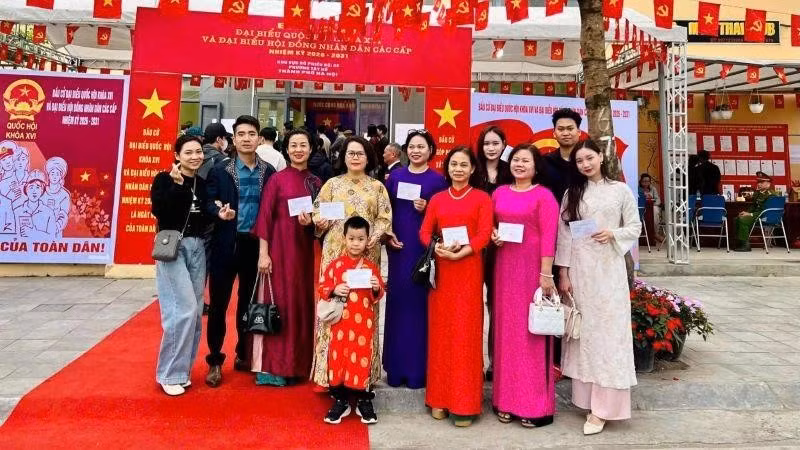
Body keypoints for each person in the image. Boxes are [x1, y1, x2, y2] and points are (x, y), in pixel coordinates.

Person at [555, 139, 641, 435]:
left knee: (609, 336)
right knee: (584, 335)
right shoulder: (572, 193)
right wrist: (563, 273)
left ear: (601, 157)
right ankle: (587, 401)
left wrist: (613, 233)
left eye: (589, 158)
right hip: (580, 273)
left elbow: (635, 226)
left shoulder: (620, 190)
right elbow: (564, 235)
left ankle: (604, 408)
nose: (585, 164)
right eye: (579, 161)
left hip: (609, 273)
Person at [419, 146, 493, 427]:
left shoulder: (482, 198)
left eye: (464, 165)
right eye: (453, 164)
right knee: (441, 335)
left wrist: (465, 251)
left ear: (473, 169)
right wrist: (436, 247)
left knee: (465, 335)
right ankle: (438, 398)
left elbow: (485, 233)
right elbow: (424, 231)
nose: (458, 169)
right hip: (442, 273)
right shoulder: (437, 199)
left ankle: (464, 403)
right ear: (447, 168)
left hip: (468, 271)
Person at [311, 136, 392, 390]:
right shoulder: (332, 185)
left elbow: (384, 219)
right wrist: (319, 222)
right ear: (343, 157)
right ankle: (329, 374)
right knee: (335, 307)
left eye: (360, 153)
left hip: (366, 255)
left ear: (369, 157)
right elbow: (317, 211)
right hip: (335, 253)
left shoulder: (377, 187)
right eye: (350, 153)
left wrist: (374, 239)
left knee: (362, 310)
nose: (355, 157)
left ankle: (363, 373)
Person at [204, 115, 276, 388]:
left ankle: (243, 354)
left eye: (251, 133)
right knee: (219, 305)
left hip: (254, 246)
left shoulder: (268, 172)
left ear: (259, 138)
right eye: (241, 134)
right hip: (225, 243)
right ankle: (214, 361)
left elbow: (273, 211)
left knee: (248, 303)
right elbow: (209, 201)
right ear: (233, 139)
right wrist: (217, 212)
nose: (246, 138)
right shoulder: (219, 169)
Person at [490, 144, 559, 427]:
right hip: (504, 270)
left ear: (535, 166)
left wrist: (546, 274)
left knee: (532, 336)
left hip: (532, 271)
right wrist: (493, 235)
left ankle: (536, 406)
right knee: (507, 334)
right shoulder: (499, 193)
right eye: (516, 160)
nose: (520, 164)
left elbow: (549, 235)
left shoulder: (544, 196)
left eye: (526, 161)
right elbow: (490, 225)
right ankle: (504, 401)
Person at [252, 129, 321, 386]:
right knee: (278, 304)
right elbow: (264, 218)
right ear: (287, 149)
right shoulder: (277, 180)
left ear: (311, 149)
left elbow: (322, 223)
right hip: (278, 254)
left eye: (303, 145)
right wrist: (263, 254)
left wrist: (311, 223)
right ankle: (273, 367)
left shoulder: (316, 182)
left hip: (303, 256)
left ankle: (299, 364)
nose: (298, 150)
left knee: (300, 306)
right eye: (293, 145)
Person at [382, 130, 448, 389]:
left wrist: (429, 207)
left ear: (431, 150)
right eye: (412, 146)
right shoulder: (395, 177)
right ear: (405, 151)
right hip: (398, 247)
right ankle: (395, 368)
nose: (416, 151)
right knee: (397, 306)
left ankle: (418, 369)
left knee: (421, 309)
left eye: (422, 146)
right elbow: (385, 210)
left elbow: (445, 216)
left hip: (423, 252)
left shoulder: (438, 181)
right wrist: (387, 235)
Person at [150, 135, 210, 396]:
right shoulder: (163, 179)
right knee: (181, 309)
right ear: (177, 155)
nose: (195, 156)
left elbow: (205, 214)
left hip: (198, 248)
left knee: (195, 312)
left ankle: (182, 370)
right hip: (173, 247)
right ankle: (168, 373)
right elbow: (160, 212)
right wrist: (176, 186)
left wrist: (221, 212)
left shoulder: (202, 182)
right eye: (188, 152)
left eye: (198, 151)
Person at [318, 216, 385, 425]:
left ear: (367, 241)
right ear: (344, 238)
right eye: (352, 238)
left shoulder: (370, 267)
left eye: (360, 239)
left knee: (361, 360)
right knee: (339, 360)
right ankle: (341, 399)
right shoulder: (336, 266)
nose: (356, 243)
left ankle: (364, 399)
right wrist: (334, 289)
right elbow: (322, 287)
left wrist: (375, 286)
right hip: (340, 326)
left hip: (363, 326)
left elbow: (380, 291)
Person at [474, 125, 513, 380]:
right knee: (472, 304)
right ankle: (472, 361)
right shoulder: (472, 170)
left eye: (495, 143)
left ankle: (495, 362)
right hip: (473, 247)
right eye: (486, 143)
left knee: (498, 305)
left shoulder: (511, 171)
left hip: (503, 247)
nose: (491, 148)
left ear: (503, 144)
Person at [734, 171, 778, 252]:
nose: (759, 184)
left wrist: (750, 214)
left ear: (768, 184)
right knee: (737, 218)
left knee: (742, 220)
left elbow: (766, 210)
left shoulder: (771, 195)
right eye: (758, 182)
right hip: (756, 214)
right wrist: (746, 212)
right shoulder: (758, 193)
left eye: (762, 182)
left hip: (763, 216)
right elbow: (753, 206)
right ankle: (739, 242)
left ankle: (746, 245)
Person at [13, 170, 57, 239]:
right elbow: (11, 237)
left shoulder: (49, 212)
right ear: (26, 189)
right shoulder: (17, 212)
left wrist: (33, 233)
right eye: (31, 187)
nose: (34, 191)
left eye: (38, 187)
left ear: (42, 190)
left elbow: (53, 237)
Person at [42, 157, 70, 238]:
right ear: (48, 175)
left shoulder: (64, 195)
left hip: (55, 233)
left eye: (57, 174)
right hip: (39, 230)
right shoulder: (42, 191)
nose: (54, 176)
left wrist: (54, 228)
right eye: (52, 173)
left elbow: (63, 215)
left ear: (61, 176)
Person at [638, 173, 663, 238]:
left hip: (651, 208)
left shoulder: (653, 189)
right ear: (641, 182)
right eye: (644, 181)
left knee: (655, 210)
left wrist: (652, 204)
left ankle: (655, 233)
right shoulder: (638, 189)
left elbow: (658, 200)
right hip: (641, 208)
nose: (646, 183)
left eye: (648, 181)